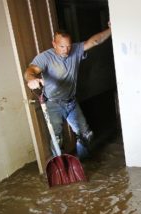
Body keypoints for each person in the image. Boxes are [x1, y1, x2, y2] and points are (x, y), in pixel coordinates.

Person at [24, 23, 112, 157]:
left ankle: (81, 163)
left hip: (71, 102)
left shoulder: (76, 50)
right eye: (61, 46)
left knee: (86, 135)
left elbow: (95, 41)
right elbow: (30, 71)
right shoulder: (45, 57)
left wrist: (112, 29)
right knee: (57, 140)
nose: (66, 50)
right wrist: (31, 79)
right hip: (53, 104)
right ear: (54, 43)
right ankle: (60, 168)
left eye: (68, 46)